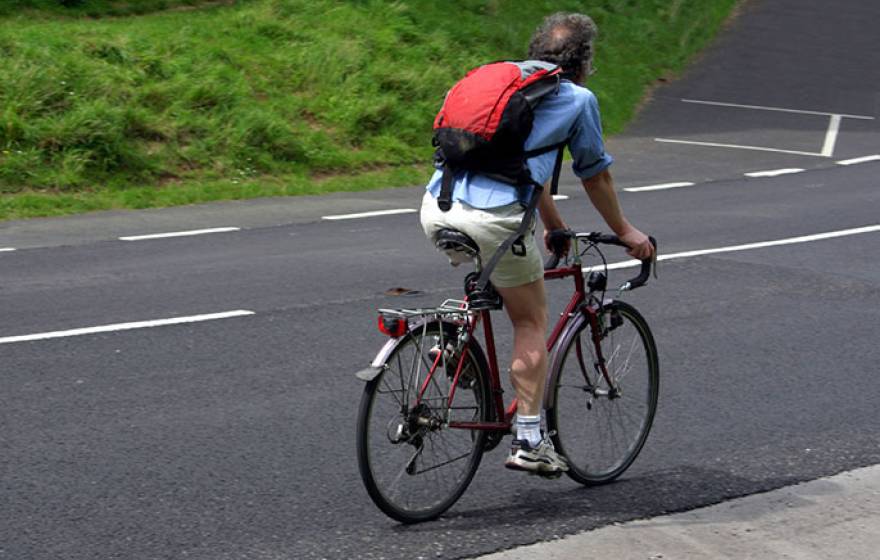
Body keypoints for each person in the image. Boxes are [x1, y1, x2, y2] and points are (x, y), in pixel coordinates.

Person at [419, 12, 654, 475]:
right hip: (497, 218)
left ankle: (454, 340)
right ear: (585, 62)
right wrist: (626, 232)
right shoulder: (576, 98)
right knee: (530, 320)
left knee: (491, 269)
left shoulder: (503, 84)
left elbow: (529, 167)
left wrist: (553, 224)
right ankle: (529, 438)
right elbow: (596, 175)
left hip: (436, 206)